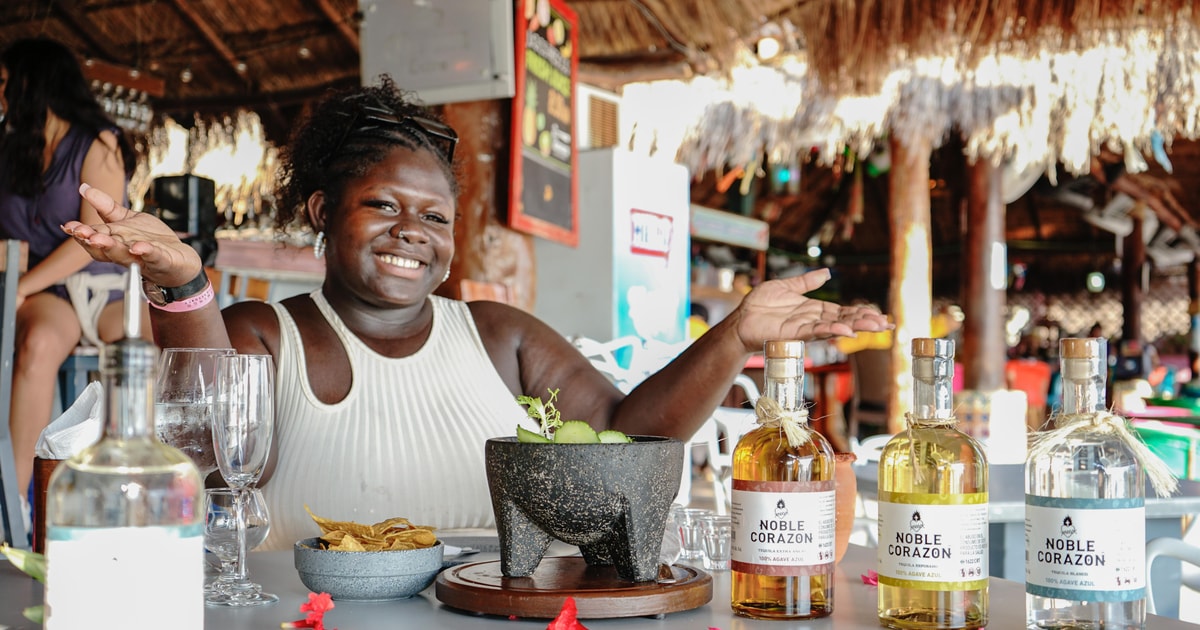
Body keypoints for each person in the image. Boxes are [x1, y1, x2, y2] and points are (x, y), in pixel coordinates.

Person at [63, 76, 891, 551]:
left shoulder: (502, 338)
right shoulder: (261, 334)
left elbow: (627, 440)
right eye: (381, 205)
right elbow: (206, 457)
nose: (409, 235)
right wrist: (180, 283)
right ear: (320, 210)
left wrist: (735, 333)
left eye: (433, 217)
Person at [0, 38, 143, 499]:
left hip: (97, 284)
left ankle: (140, 485)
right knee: (39, 343)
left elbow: (90, 239)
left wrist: (21, 284)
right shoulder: (12, 149)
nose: (1, 94)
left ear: (32, 82)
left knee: (156, 338)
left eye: (5, 83)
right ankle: (21, 504)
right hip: (42, 293)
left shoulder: (99, 142)